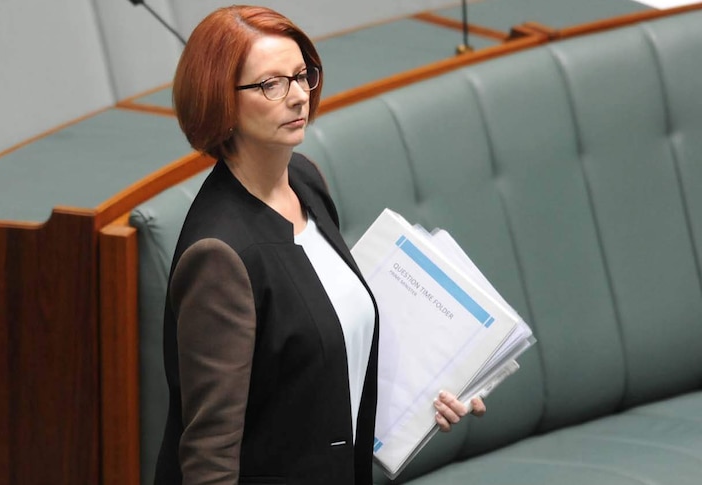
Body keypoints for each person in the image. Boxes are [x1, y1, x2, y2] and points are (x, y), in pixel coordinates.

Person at [154, 6, 486, 485]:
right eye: (270, 84)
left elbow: (324, 341)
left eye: (301, 75)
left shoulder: (305, 181)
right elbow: (210, 460)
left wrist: (426, 389)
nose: (297, 98)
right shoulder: (220, 255)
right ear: (219, 102)